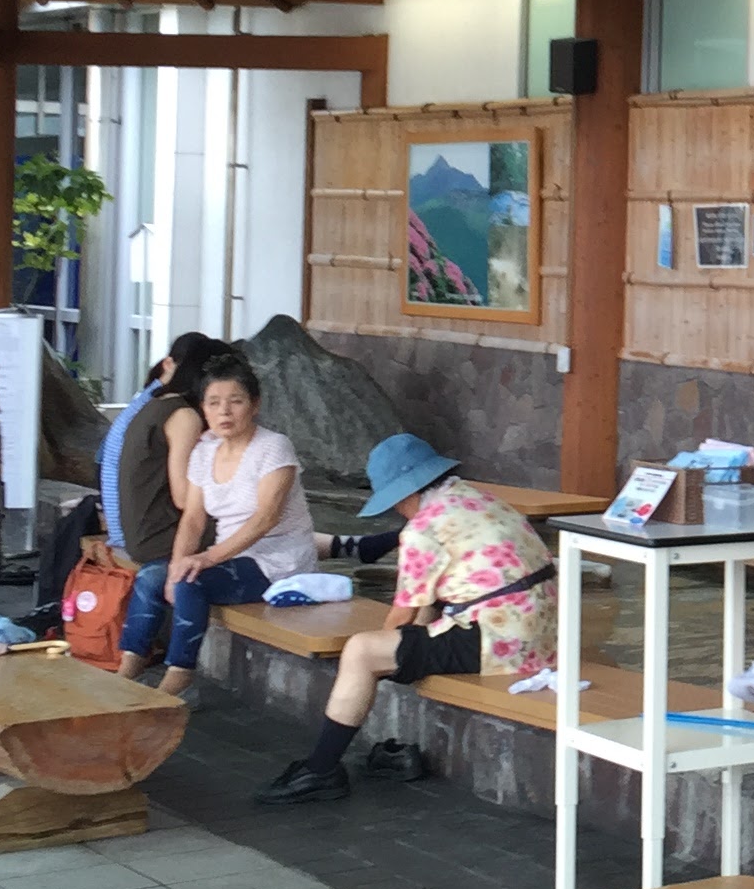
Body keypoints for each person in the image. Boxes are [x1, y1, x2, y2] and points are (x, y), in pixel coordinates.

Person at [255, 433, 555, 805]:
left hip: (499, 641)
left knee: (363, 651)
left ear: (405, 493)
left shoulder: (423, 528)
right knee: (409, 637)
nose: (397, 510)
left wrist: (379, 660)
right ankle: (386, 749)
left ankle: (321, 769)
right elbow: (433, 603)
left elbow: (401, 614)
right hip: (539, 634)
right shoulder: (477, 499)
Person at [124, 355, 313, 697]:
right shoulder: (204, 451)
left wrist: (205, 559)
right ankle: (128, 668)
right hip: (231, 556)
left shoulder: (273, 447)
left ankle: (178, 676)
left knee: (190, 581)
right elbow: (193, 518)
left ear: (254, 405)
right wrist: (178, 564)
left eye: (235, 401)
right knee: (151, 576)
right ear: (203, 409)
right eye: (214, 403)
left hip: (276, 563)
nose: (224, 411)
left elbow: (265, 519)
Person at [104, 335, 221, 627]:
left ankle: (334, 545)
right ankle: (333, 546)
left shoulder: (151, 403)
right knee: (248, 525)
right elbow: (183, 498)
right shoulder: (184, 416)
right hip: (155, 536)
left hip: (136, 530)